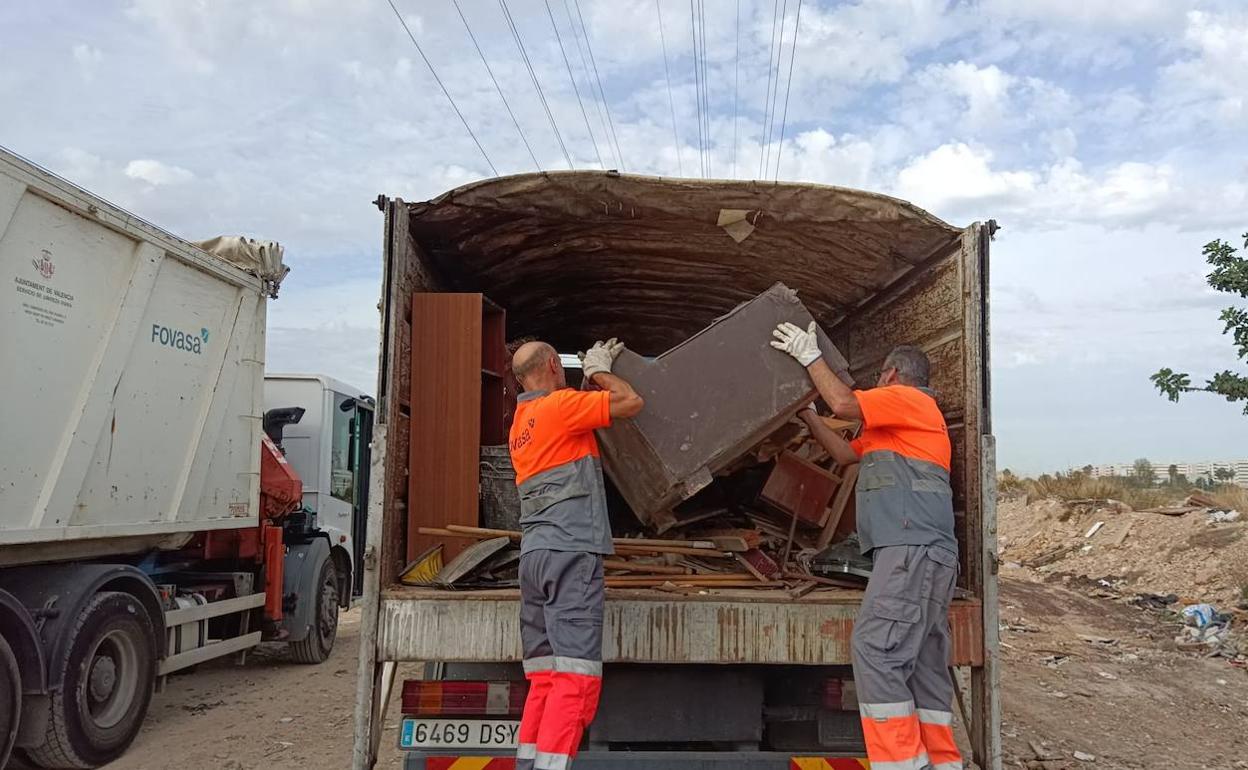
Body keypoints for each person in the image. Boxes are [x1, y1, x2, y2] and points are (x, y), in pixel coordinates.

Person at [771, 321, 962, 770]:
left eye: (879, 377)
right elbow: (844, 455)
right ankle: (942, 762)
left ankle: (900, 765)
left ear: (892, 374)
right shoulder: (899, 425)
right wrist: (809, 418)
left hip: (910, 549)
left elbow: (842, 400)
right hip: (930, 552)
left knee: (876, 651)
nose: (877, 384)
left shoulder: (909, 400)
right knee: (924, 666)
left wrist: (808, 355)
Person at [508, 338, 644, 770]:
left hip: (534, 557)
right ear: (552, 364)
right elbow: (631, 401)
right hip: (570, 552)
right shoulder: (560, 406)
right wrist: (599, 371)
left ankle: (529, 764)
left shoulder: (521, 423)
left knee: (545, 678)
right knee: (575, 676)